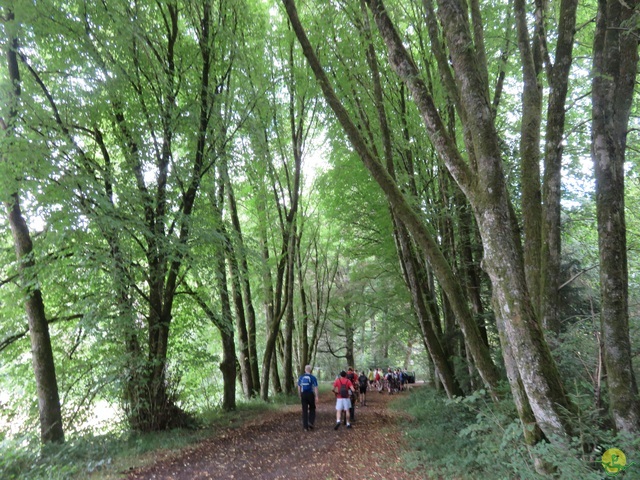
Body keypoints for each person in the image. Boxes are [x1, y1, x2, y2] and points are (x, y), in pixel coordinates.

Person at [297, 365, 319, 431]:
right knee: (312, 408)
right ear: (310, 370)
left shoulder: (301, 377)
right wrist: (316, 396)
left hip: (303, 394)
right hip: (310, 394)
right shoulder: (313, 377)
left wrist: (300, 394)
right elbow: (315, 387)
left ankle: (305, 427)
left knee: (304, 410)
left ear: (305, 370)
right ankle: (311, 422)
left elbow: (299, 387)